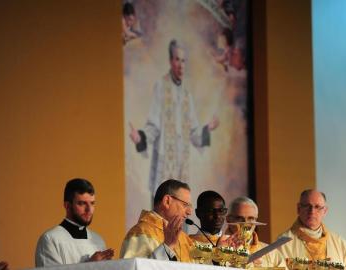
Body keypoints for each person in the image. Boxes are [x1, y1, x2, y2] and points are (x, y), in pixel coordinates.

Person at [129, 39, 220, 200]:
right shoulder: (161, 87)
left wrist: (207, 129)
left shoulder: (186, 95)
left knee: (181, 218)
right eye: (177, 59)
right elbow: (154, 126)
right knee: (160, 221)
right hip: (164, 168)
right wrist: (140, 138)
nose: (181, 64)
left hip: (181, 170)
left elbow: (194, 133)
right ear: (171, 61)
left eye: (183, 60)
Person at [35, 178, 114, 267]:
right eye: (82, 203)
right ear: (67, 206)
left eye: (92, 203)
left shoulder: (98, 240)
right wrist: (90, 266)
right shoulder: (50, 239)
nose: (89, 210)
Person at [278, 189, 346, 269]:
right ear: (299, 209)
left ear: (325, 211)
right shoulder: (282, 244)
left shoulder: (339, 243)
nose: (312, 211)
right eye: (307, 206)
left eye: (317, 207)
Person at [120, 179, 194, 262]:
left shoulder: (184, 238)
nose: (189, 212)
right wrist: (166, 247)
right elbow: (133, 267)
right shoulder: (141, 232)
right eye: (185, 205)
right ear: (167, 201)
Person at [226, 196, 286, 268]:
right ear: (228, 219)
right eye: (239, 218)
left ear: (256, 220)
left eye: (251, 218)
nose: (246, 223)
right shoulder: (216, 250)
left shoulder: (272, 253)